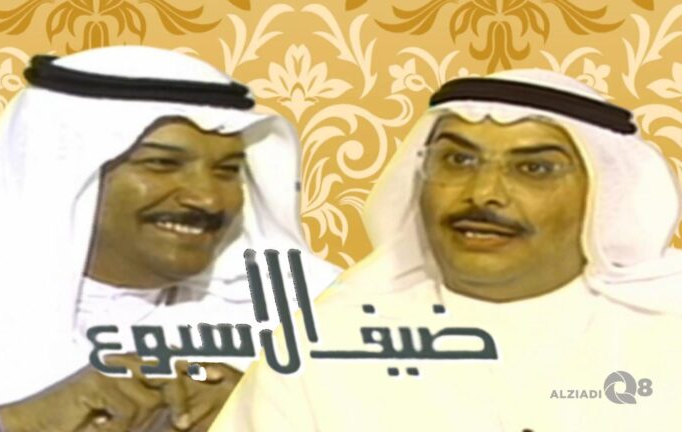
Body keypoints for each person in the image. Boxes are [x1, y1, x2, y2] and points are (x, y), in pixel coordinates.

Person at [211, 69, 682, 431]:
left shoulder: (667, 331)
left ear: (603, 195)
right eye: (458, 160)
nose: (483, 194)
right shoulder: (325, 344)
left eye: (533, 169)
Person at [0, 46, 339, 431]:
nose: (208, 198)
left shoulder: (320, 307)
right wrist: (20, 424)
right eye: (160, 165)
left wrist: (267, 416)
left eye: (227, 171)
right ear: (65, 176)